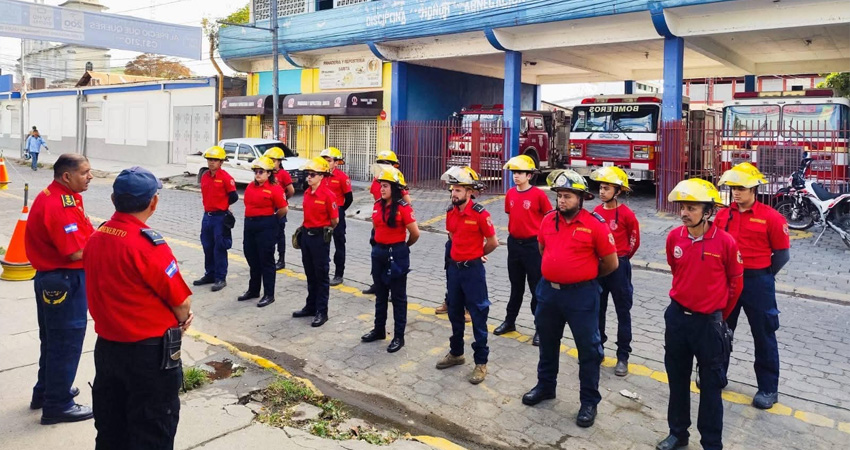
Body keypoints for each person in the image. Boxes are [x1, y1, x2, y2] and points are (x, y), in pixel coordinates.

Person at [84, 166, 193, 449]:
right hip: (149, 356)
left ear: (113, 199)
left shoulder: (96, 238)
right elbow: (181, 302)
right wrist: (183, 320)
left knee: (111, 428)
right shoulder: (148, 245)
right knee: (152, 430)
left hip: (108, 349)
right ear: (153, 202)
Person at [522, 169, 618, 430]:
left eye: (567, 196)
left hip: (581, 296)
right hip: (549, 293)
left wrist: (582, 276)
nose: (561, 201)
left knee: (588, 350)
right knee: (548, 343)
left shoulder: (595, 225)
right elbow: (543, 249)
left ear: (581, 198)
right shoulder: (547, 221)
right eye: (559, 196)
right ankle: (545, 386)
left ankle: (589, 401)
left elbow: (611, 262)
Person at [656, 178, 742, 450]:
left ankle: (711, 443)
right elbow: (676, 269)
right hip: (678, 319)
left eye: (691, 208)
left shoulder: (725, 242)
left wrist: (716, 315)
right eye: (683, 207)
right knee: (677, 379)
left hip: (709, 325)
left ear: (707, 212)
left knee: (711, 386)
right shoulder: (674, 237)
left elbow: (735, 284)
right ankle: (678, 433)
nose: (684, 213)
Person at [24, 154, 94, 424]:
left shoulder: (65, 196)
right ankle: (58, 404)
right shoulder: (59, 204)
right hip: (64, 281)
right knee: (65, 342)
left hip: (55, 279)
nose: (90, 177)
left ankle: (48, 391)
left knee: (53, 340)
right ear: (67, 176)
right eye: (85, 172)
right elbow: (76, 251)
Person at [714, 162, 789, 410]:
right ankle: (716, 375)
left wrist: (763, 275)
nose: (736, 192)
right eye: (734, 187)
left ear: (754, 189)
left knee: (764, 334)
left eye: (742, 188)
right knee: (721, 329)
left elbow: (781, 255)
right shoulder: (723, 215)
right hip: (728, 281)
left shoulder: (771, 217)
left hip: (758, 281)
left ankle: (768, 388)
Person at [435, 166, 498, 385]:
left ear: (469, 192)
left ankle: (481, 362)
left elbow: (493, 242)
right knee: (454, 312)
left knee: (478, 315)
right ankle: (456, 353)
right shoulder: (451, 212)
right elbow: (452, 235)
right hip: (454, 270)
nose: (454, 194)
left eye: (459, 190)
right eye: (453, 189)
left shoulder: (481, 213)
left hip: (472, 271)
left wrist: (476, 254)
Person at [494, 155, 551, 346]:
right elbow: (512, 215)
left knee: (537, 288)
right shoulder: (510, 193)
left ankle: (541, 328)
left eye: (519, 173)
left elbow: (549, 218)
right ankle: (510, 321)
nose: (515, 176)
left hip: (532, 246)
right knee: (515, 286)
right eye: (513, 173)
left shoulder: (539, 195)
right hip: (514, 245)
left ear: (529, 175)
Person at [361, 165, 420, 353]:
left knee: (398, 298)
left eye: (386, 185)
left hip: (396, 255)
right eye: (381, 185)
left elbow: (415, 233)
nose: (382, 189)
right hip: (379, 253)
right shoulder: (377, 205)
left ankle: (398, 336)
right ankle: (379, 330)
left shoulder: (403, 207)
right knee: (380, 294)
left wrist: (402, 247)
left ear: (394, 188)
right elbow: (375, 227)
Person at [590, 166, 640, 377]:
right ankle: (598, 348)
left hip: (620, 266)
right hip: (600, 266)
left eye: (607, 188)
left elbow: (634, 240)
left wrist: (623, 257)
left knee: (622, 312)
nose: (602, 192)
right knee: (597, 310)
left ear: (618, 191)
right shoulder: (595, 213)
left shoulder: (627, 215)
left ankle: (623, 356)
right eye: (601, 188)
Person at [292, 157, 339, 327]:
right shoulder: (307, 193)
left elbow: (335, 221)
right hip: (306, 236)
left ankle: (321, 311)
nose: (309, 177)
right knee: (310, 273)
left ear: (321, 176)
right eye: (307, 174)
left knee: (321, 275)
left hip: (320, 238)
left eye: (312, 174)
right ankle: (310, 306)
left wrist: (322, 230)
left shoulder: (328, 195)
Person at [238, 156, 287, 308]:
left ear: (269, 173)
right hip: (250, 225)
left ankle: (269, 294)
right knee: (251, 257)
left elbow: (283, 209)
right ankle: (253, 290)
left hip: (266, 225)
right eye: (256, 172)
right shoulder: (251, 187)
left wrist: (271, 221)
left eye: (261, 172)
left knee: (266, 260)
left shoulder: (275, 188)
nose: (257, 174)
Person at [363, 150, 412, 295]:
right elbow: (375, 198)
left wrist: (396, 212)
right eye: (380, 163)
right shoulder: (377, 180)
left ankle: (393, 289)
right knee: (377, 256)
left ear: (394, 165)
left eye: (386, 164)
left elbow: (407, 202)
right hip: (379, 222)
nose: (383, 167)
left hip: (393, 223)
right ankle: (377, 283)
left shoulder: (396, 180)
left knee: (395, 262)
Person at [193, 146, 238, 292]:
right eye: (209, 160)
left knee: (220, 247)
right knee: (207, 246)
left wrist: (223, 206)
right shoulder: (205, 176)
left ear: (221, 162)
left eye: (215, 160)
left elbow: (234, 196)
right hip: (207, 216)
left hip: (220, 217)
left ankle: (220, 277)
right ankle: (210, 274)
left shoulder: (226, 178)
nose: (211, 162)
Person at [319, 147, 353, 286]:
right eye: (324, 160)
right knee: (321, 243)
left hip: (337, 212)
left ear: (337, 162)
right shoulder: (320, 175)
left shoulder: (342, 177)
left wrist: (340, 210)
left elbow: (349, 198)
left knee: (339, 244)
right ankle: (321, 272)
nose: (326, 163)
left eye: (329, 161)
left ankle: (339, 274)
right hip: (322, 213)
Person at [263, 147, 295, 271]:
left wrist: (283, 200)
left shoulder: (283, 174)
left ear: (279, 161)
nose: (271, 162)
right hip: (267, 207)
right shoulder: (266, 172)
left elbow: (291, 190)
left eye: (273, 160)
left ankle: (281, 259)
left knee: (279, 234)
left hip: (279, 207)